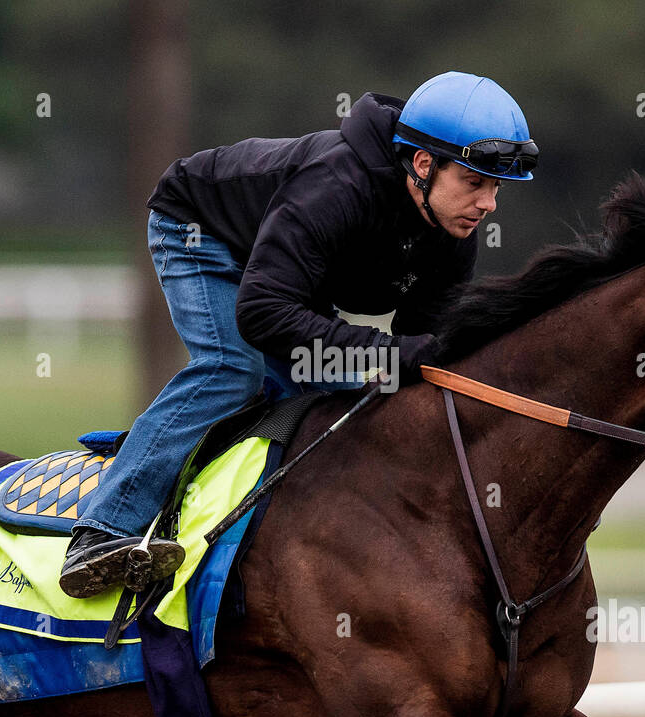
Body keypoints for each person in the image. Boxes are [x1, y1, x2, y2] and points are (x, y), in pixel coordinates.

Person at [58, 70, 538, 599]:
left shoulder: (451, 234)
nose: (488, 204)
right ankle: (102, 531)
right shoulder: (336, 186)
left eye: (495, 188)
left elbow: (418, 358)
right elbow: (263, 313)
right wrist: (382, 353)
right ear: (423, 164)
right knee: (233, 371)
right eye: (474, 183)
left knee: (327, 397)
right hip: (203, 233)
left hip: (287, 274)